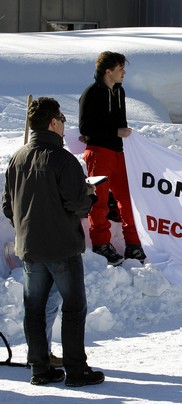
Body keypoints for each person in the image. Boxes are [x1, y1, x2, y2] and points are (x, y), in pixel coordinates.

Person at [2, 97, 105, 386]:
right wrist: (89, 194)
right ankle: (76, 370)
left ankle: (40, 368)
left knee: (34, 309)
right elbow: (77, 203)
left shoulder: (18, 157)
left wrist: (25, 226)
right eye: (63, 119)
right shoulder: (63, 159)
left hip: (30, 248)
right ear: (53, 122)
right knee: (73, 308)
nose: (65, 125)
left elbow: (8, 206)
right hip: (61, 247)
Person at [79, 51, 146, 265]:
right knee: (98, 201)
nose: (124, 73)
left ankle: (134, 245)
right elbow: (86, 128)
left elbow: (118, 124)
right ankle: (101, 245)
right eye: (120, 69)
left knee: (127, 199)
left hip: (118, 153)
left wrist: (119, 135)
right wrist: (114, 133)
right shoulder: (91, 93)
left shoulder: (119, 91)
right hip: (99, 153)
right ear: (108, 71)